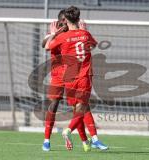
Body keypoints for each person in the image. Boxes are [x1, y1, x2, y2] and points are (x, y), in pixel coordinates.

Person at [45, 6, 108, 150]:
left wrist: (54, 34)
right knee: (82, 107)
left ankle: (88, 141)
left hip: (69, 77)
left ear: (65, 20)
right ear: (79, 19)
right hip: (84, 75)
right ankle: (72, 131)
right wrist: (84, 30)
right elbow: (92, 46)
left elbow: (48, 46)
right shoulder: (85, 34)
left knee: (78, 108)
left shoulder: (62, 37)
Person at [42, 9, 91, 152]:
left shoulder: (76, 34)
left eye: (66, 20)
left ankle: (85, 140)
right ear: (60, 22)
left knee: (79, 107)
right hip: (58, 75)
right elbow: (44, 45)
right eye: (62, 21)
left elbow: (86, 46)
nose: (65, 23)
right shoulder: (56, 34)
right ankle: (46, 140)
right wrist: (54, 33)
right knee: (53, 105)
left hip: (73, 74)